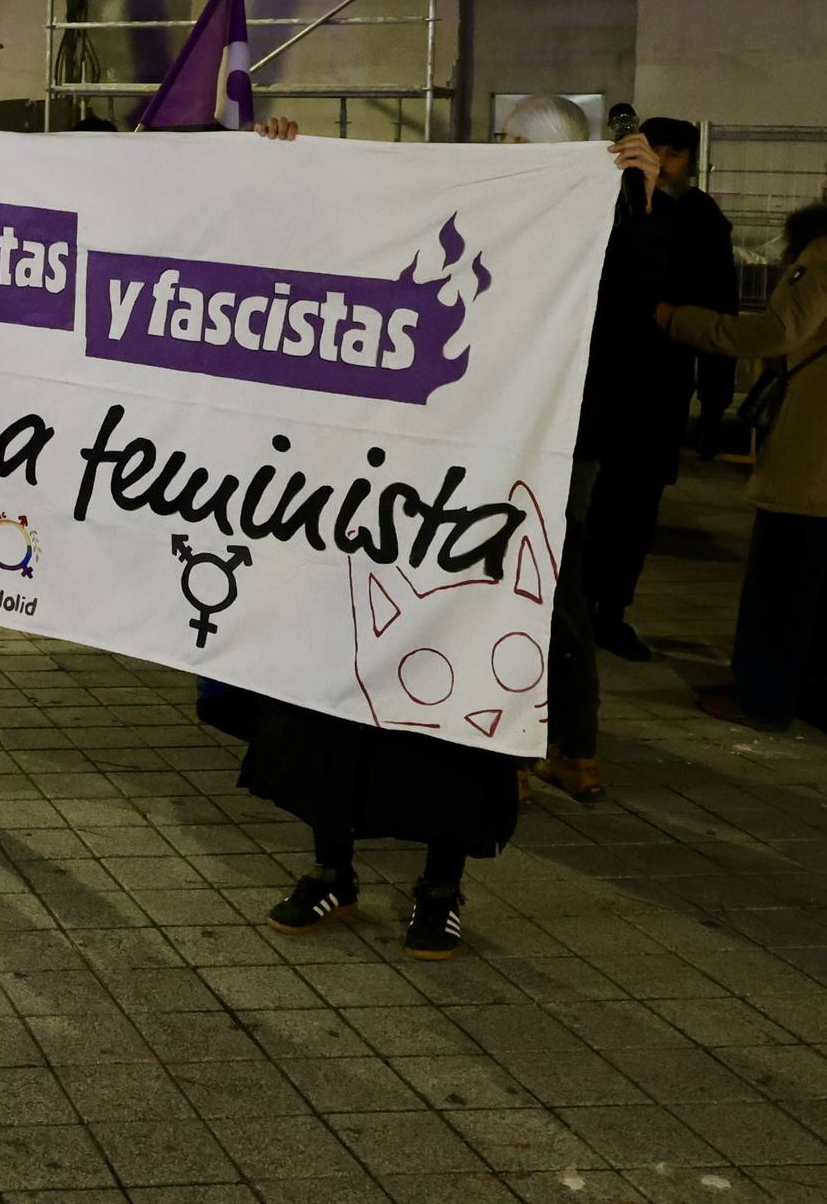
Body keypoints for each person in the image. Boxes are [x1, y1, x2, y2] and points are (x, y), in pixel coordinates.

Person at [243, 114, 655, 959]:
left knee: (456, 695)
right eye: (508, 148)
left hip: (486, 504)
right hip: (368, 490)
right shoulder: (437, 201)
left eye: (536, 155)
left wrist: (642, 200)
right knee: (340, 680)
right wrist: (286, 160)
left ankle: (439, 886)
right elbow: (319, 245)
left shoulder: (583, 238)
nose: (514, 166)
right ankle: (331, 867)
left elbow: (624, 321)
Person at [493, 96, 671, 804]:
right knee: (548, 582)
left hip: (552, 434)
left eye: (508, 139)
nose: (497, 148)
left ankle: (529, 744)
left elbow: (632, 299)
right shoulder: (578, 219)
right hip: (554, 432)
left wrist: (648, 198)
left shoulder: (607, 223)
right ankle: (570, 745)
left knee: (531, 584)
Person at [659, 201, 827, 732]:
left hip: (813, 457)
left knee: (782, 585)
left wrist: (676, 318)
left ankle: (763, 700)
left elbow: (775, 334)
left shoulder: (823, 254)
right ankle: (813, 701)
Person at [587, 117, 739, 659]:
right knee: (595, 503)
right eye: (659, 152)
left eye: (678, 154)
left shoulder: (700, 219)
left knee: (638, 506)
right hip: (601, 384)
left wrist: (715, 404)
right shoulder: (605, 203)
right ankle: (582, 608)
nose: (668, 164)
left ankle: (613, 612)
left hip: (662, 387)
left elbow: (721, 306)